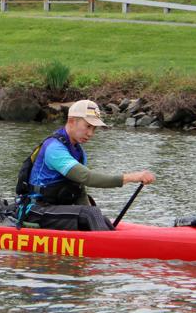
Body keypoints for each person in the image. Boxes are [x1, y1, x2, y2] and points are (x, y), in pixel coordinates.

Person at [19, 99, 155, 232]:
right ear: (72, 121)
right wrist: (132, 177)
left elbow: (79, 190)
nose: (91, 134)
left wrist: (95, 217)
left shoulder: (79, 152)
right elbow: (87, 177)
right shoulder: (54, 148)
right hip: (36, 211)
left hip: (55, 210)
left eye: (94, 128)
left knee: (98, 217)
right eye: (88, 126)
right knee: (91, 215)